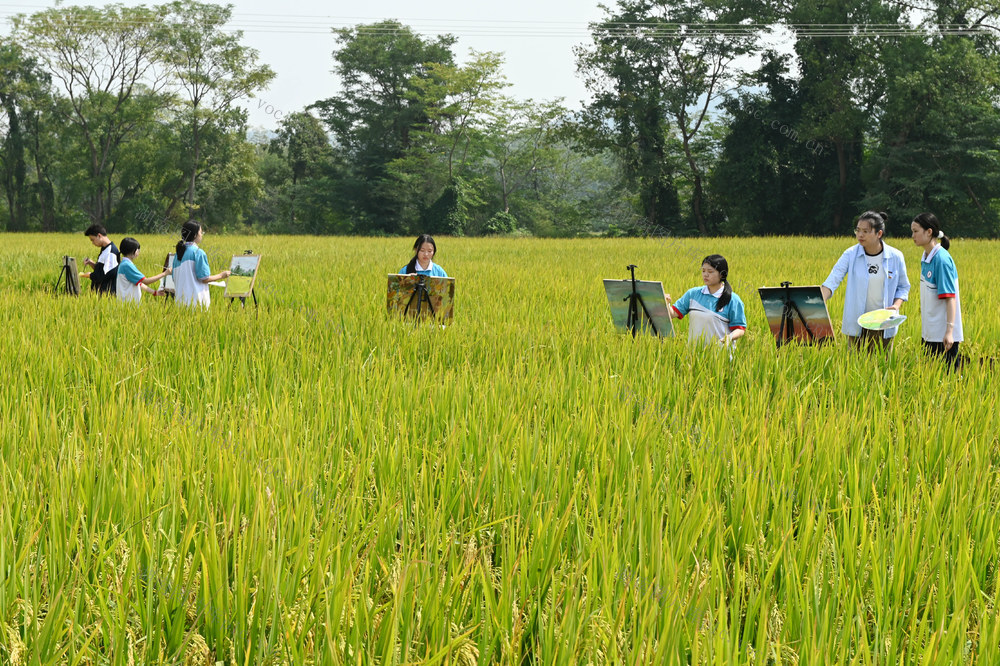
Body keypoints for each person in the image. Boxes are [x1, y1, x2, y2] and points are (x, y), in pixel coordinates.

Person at [820, 211, 910, 350]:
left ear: (879, 233)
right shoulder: (850, 254)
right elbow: (833, 279)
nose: (860, 235)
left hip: (884, 323)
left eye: (865, 231)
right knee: (854, 361)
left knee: (883, 362)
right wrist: (820, 300)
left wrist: (896, 306)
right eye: (858, 230)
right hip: (857, 323)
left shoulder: (896, 256)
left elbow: (903, 287)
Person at [911, 212, 964, 370]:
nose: (912, 236)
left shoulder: (941, 260)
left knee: (948, 377)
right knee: (930, 377)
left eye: (916, 231)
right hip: (930, 332)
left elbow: (950, 298)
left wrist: (949, 332)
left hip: (943, 336)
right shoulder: (926, 257)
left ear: (929, 232)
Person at [667, 255, 747, 347]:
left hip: (720, 352)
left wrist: (729, 337)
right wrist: (664, 301)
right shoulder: (693, 294)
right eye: (703, 271)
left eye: (710, 271)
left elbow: (740, 328)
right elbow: (672, 314)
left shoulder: (733, 299)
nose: (705, 274)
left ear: (722, 274)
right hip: (694, 352)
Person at [171, 220, 230, 308]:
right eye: (201, 232)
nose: (202, 235)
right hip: (196, 303)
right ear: (195, 235)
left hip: (180, 304)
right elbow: (204, 278)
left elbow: (174, 278)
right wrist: (222, 275)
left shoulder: (177, 255)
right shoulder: (198, 252)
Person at [115, 237, 171, 303]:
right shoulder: (127, 265)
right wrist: (165, 273)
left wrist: (154, 292)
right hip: (127, 303)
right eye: (138, 249)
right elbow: (146, 281)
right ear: (133, 251)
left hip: (127, 303)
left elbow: (139, 283)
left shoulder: (125, 264)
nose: (139, 251)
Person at [82, 224, 120, 295]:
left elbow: (105, 274)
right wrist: (91, 263)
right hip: (100, 292)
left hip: (107, 294)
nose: (93, 243)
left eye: (93, 240)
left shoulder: (111, 252)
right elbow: (102, 269)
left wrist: (90, 275)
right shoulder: (105, 249)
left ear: (99, 236)